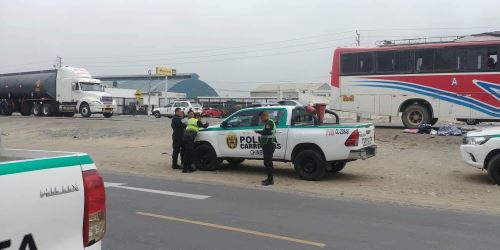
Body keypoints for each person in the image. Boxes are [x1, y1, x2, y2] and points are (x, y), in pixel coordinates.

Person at [255, 111, 276, 186]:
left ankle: (271, 180)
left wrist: (258, 131)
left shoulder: (269, 122)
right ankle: (269, 178)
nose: (261, 119)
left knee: (268, 163)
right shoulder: (267, 123)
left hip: (269, 146)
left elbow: (267, 132)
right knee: (266, 163)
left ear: (265, 116)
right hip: (267, 145)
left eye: (261, 117)